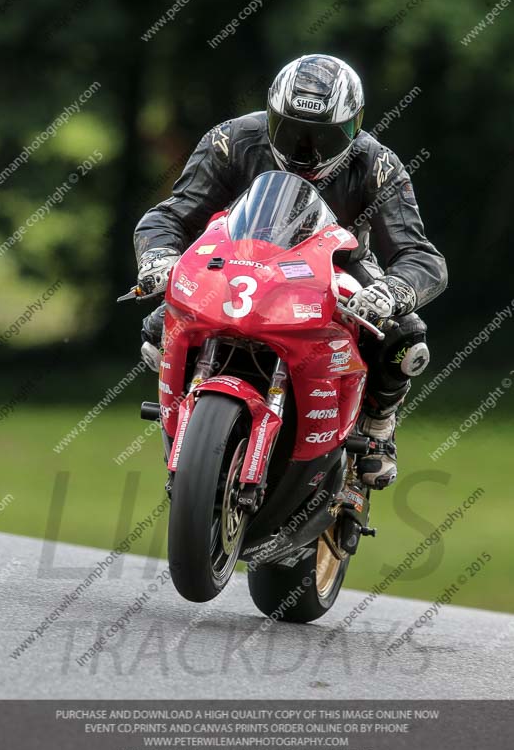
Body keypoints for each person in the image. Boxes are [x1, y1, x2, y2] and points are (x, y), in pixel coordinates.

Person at [134, 54, 447, 489]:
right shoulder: (231, 140)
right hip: (239, 257)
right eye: (293, 131)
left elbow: (420, 255)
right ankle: (190, 424)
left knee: (404, 338)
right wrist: (159, 258)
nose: (306, 151)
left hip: (338, 266)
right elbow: (169, 217)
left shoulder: (378, 164)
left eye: (323, 136)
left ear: (354, 127)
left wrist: (393, 291)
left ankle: (378, 428)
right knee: (155, 329)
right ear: (271, 116)